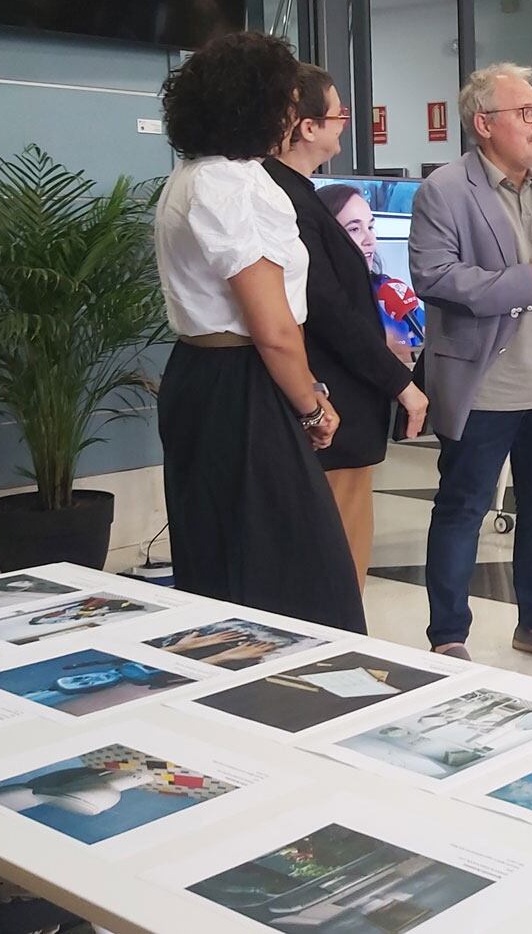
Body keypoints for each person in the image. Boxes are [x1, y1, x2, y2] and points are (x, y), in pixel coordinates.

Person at [153, 31, 366, 632]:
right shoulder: (234, 184)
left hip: (200, 375)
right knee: (299, 572)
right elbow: (271, 325)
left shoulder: (193, 175)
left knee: (220, 555)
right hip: (243, 384)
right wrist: (311, 406)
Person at [409, 62, 532, 665]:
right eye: (525, 113)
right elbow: (435, 277)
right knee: (464, 508)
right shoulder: (443, 190)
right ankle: (448, 635)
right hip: (484, 384)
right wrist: (531, 280)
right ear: (484, 124)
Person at [265, 64, 429, 596]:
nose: (344, 124)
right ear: (306, 126)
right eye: (338, 113)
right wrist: (399, 382)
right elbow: (329, 310)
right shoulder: (287, 200)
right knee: (337, 554)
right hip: (330, 398)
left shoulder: (298, 193)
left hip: (336, 396)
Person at [318, 183, 427, 362]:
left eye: (370, 227)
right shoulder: (311, 301)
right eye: (354, 229)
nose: (369, 240)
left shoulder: (390, 291)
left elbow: (422, 346)